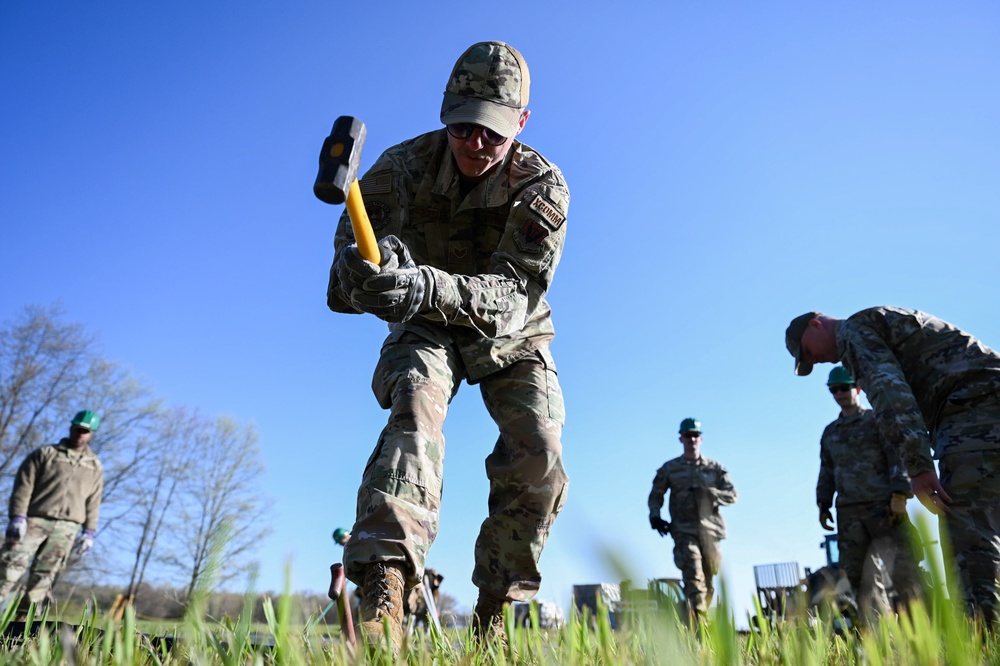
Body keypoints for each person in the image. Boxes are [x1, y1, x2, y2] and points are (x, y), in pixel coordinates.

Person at [326, 41, 569, 650]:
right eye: (462, 126)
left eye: (492, 132)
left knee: (537, 451)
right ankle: (385, 586)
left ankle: (495, 609)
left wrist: (424, 283)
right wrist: (370, 278)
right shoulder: (396, 170)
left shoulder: (543, 188)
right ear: (444, 114)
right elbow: (338, 286)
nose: (475, 144)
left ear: (522, 123)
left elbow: (513, 294)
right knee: (414, 409)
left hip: (510, 337)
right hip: (424, 327)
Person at [786, 307, 1000, 623]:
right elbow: (827, 468)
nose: (816, 361)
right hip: (981, 405)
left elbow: (890, 396)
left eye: (808, 352)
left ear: (816, 325)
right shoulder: (874, 324)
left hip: (973, 411)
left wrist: (916, 468)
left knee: (968, 532)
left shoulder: (854, 333)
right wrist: (823, 500)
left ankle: (984, 636)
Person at [816, 365, 923, 620]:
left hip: (883, 508)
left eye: (844, 388)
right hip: (849, 512)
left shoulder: (877, 421)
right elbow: (827, 469)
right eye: (834, 390)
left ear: (858, 388)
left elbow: (896, 455)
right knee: (859, 576)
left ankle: (920, 629)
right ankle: (878, 636)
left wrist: (900, 494)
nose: (839, 393)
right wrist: (823, 503)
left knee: (903, 571)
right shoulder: (831, 433)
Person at [0, 410, 104, 614]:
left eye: (85, 431)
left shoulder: (94, 466)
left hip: (67, 528)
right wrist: (18, 516)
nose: (80, 434)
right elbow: (24, 485)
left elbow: (94, 501)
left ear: (91, 434)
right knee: (9, 568)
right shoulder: (46, 454)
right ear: (71, 427)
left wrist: (89, 532)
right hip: (35, 520)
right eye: (78, 429)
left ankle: (21, 629)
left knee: (43, 578)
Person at [648, 418, 737, 619]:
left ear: (701, 439)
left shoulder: (714, 468)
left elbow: (732, 495)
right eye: (688, 435)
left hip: (711, 532)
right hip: (683, 530)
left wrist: (711, 493)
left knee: (709, 581)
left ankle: (695, 616)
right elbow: (656, 494)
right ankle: (699, 627)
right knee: (694, 577)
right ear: (681, 438)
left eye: (695, 435)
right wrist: (655, 515)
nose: (692, 439)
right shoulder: (670, 468)